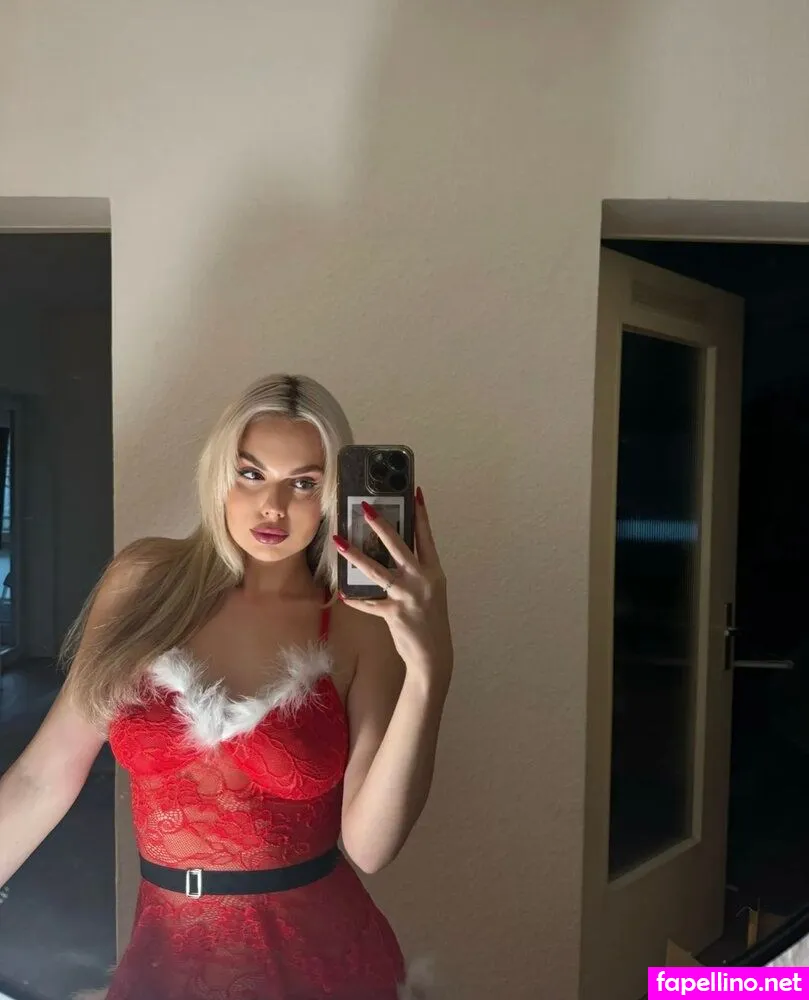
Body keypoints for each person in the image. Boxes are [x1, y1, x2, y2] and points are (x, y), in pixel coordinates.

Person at [0, 374, 453, 1000]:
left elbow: (370, 848)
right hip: (163, 961)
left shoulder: (356, 620)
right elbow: (42, 777)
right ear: (220, 474)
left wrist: (431, 668)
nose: (273, 506)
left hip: (319, 967)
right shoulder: (142, 585)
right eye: (251, 473)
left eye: (303, 483)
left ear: (332, 494)